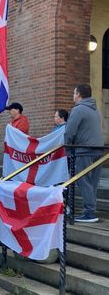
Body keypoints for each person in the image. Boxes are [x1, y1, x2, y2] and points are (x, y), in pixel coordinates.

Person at [64, 84, 104, 223]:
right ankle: (91, 210)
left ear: (79, 94)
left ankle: (89, 213)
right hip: (98, 150)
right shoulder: (95, 110)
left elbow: (69, 132)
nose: (73, 95)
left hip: (84, 151)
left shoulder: (78, 110)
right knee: (92, 183)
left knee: (84, 181)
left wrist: (67, 149)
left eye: (74, 93)